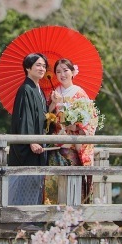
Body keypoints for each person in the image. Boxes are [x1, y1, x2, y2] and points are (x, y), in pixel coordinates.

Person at [44, 58, 96, 204]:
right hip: (56, 144)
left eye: (66, 70)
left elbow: (91, 119)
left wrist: (76, 126)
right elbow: (48, 118)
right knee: (54, 180)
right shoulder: (55, 93)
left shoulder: (80, 93)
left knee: (74, 180)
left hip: (73, 146)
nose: (62, 74)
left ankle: (75, 216)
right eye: (58, 72)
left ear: (73, 72)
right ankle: (52, 215)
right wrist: (54, 103)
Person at [7, 52, 49, 205]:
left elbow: (42, 116)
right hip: (29, 145)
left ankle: (31, 217)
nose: (42, 68)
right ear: (28, 68)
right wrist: (31, 141)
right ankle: (20, 217)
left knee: (35, 181)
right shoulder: (26, 89)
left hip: (38, 142)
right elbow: (25, 118)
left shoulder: (38, 89)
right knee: (25, 179)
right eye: (38, 65)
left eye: (44, 66)